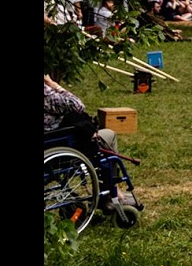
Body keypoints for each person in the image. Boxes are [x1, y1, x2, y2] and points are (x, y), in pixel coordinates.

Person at [44, 74, 136, 208]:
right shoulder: (46, 94)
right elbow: (77, 105)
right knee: (109, 135)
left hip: (51, 142)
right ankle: (113, 194)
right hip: (57, 143)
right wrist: (54, 85)